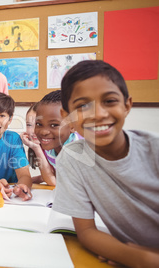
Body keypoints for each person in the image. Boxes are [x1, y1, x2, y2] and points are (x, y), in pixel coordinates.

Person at [53, 60, 159, 267]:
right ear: (67, 117)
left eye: (109, 101)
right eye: (83, 106)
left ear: (127, 105)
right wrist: (140, 258)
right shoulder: (72, 159)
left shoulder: (154, 150)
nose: (99, 114)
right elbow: (87, 232)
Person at [21, 90, 82, 186]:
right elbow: (57, 176)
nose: (44, 132)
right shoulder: (51, 146)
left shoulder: (80, 149)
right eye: (39, 124)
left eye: (54, 125)